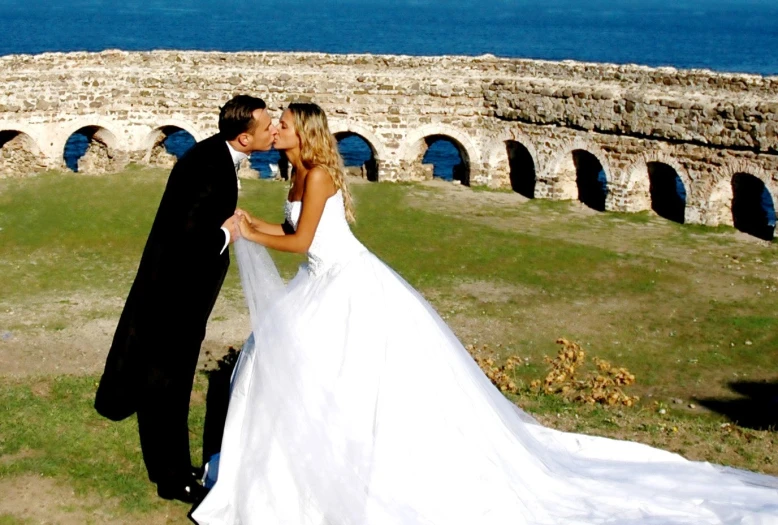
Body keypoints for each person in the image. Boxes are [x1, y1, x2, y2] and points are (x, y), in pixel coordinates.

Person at [192, 102, 778, 524]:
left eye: (284, 123)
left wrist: (252, 234)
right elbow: (296, 231)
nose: (274, 128)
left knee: (351, 385)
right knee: (311, 382)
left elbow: (297, 245)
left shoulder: (317, 175)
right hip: (322, 286)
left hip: (346, 289)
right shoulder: (297, 173)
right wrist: (249, 224)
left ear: (305, 133)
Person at [94, 95, 277, 504]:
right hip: (175, 299)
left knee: (165, 383)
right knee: (168, 386)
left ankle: (169, 467)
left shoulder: (212, 154)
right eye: (267, 126)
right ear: (245, 138)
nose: (274, 129)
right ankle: (173, 479)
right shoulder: (212, 167)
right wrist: (228, 232)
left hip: (172, 292)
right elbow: (190, 238)